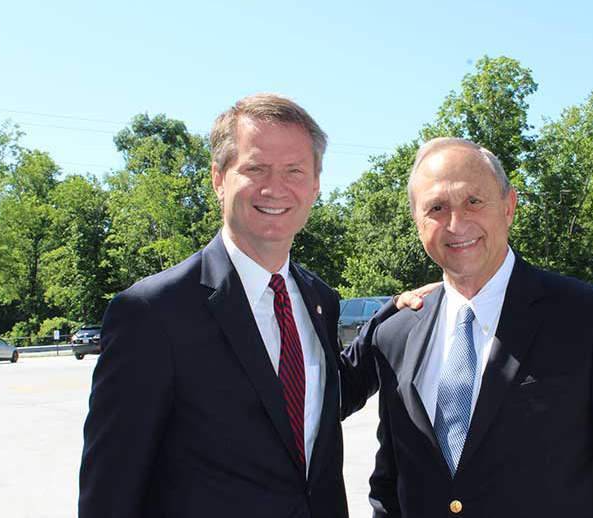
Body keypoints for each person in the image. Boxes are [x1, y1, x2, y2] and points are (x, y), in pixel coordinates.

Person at [78, 93, 381, 518]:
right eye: (255, 168)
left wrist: (392, 322)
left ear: (315, 186)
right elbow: (110, 489)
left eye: (295, 171)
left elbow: (307, 410)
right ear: (219, 179)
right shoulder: (153, 313)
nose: (275, 188)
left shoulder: (320, 301)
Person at [360, 137, 593, 517]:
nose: (456, 223)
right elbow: (389, 490)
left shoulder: (589, 318)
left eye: (473, 201)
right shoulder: (396, 336)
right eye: (436, 208)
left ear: (508, 207)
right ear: (417, 222)